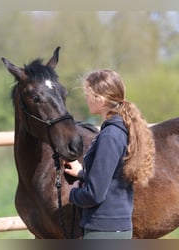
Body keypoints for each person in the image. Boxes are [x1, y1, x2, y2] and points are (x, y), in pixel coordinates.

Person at [64, 69, 155, 239]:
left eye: (88, 94)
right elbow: (112, 176)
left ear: (102, 100)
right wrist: (82, 174)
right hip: (113, 228)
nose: (86, 98)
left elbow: (94, 194)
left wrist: (71, 194)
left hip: (103, 230)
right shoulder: (119, 129)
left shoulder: (110, 135)